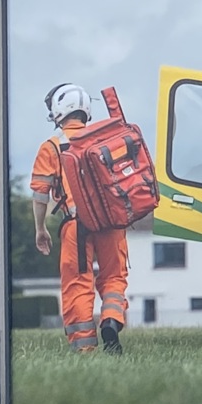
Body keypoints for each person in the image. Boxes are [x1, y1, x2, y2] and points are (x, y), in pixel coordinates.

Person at [30, 83, 129, 355]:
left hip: (77, 225)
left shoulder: (51, 147)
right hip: (112, 222)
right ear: (86, 110)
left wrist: (40, 229)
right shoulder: (106, 139)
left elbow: (40, 195)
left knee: (78, 283)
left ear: (58, 112)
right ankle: (111, 319)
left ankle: (85, 349)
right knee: (114, 277)